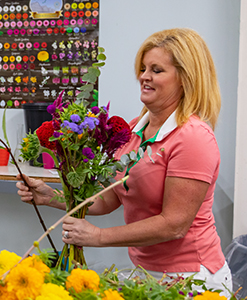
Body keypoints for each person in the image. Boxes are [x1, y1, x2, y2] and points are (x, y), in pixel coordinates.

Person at [16, 28, 232, 296]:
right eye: (143, 68)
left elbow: (174, 224)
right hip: (144, 273)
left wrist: (98, 237)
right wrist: (53, 197)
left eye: (156, 70)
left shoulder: (194, 137)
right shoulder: (134, 131)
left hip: (192, 278)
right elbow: (110, 199)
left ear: (186, 79)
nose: (144, 77)